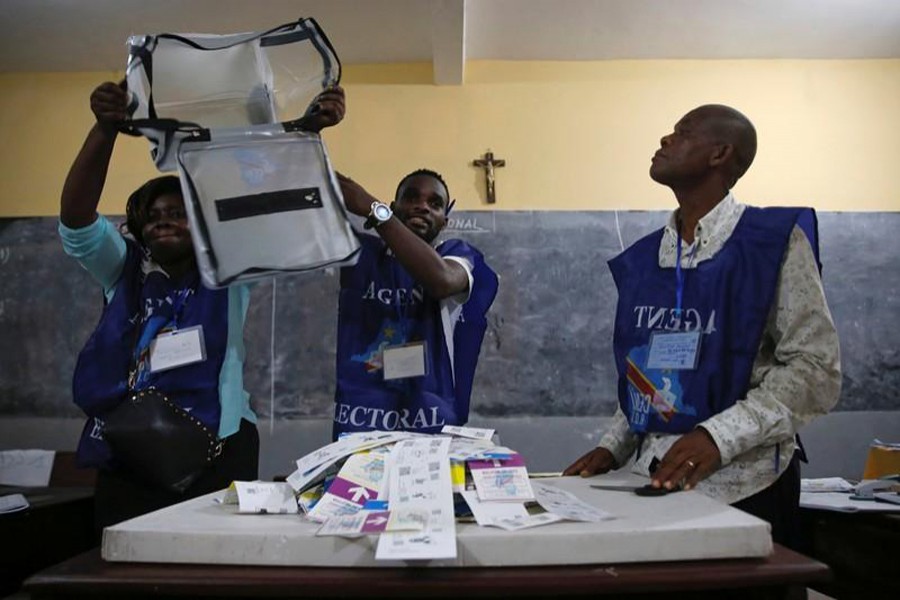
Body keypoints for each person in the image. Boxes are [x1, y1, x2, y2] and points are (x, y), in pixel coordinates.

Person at [60, 80, 344, 531]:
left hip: (220, 442)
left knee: (209, 564)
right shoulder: (124, 268)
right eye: (153, 217)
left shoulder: (230, 266)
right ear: (137, 228)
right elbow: (76, 222)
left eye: (177, 214)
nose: (164, 222)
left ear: (200, 224)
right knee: (123, 558)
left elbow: (280, 207)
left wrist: (303, 133)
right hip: (130, 443)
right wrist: (104, 130)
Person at [563, 104, 841, 549]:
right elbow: (650, 375)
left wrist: (718, 436)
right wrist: (614, 444)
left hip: (746, 485)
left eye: (683, 132)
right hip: (653, 480)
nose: (665, 140)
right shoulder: (647, 258)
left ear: (720, 154)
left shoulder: (772, 241)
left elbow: (815, 370)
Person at [331, 170, 499, 438]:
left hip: (431, 429)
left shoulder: (459, 256)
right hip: (360, 425)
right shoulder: (362, 253)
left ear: (445, 220)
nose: (422, 206)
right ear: (395, 207)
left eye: (435, 204)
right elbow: (313, 203)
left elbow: (441, 280)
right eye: (411, 198)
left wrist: (375, 211)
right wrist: (308, 138)